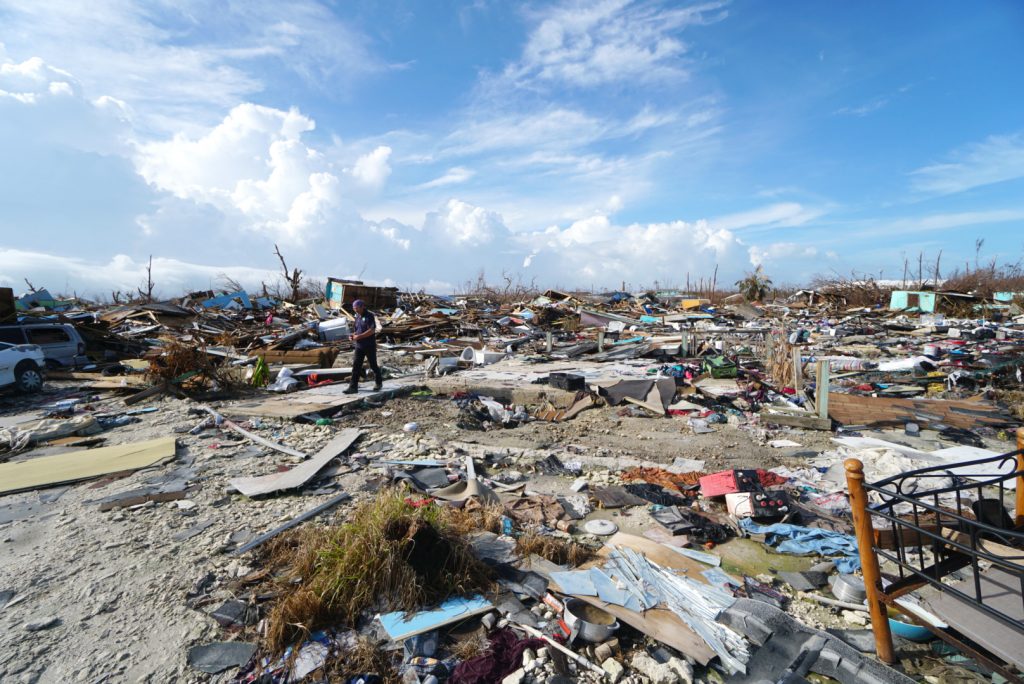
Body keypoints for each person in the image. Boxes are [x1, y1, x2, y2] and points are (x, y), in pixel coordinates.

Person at [344, 299, 383, 393]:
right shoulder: (357, 317)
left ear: (362, 307)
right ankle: (353, 387)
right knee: (356, 366)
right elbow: (357, 330)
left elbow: (372, 330)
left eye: (357, 308)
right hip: (359, 346)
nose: (355, 310)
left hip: (369, 345)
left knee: (373, 365)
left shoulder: (369, 316)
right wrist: (353, 336)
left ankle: (378, 383)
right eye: (354, 309)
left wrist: (359, 336)